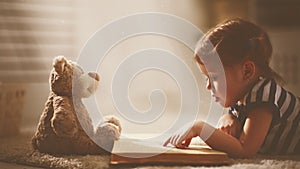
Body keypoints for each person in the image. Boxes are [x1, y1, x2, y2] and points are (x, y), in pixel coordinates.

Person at [163, 18, 300, 158]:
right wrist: (228, 117)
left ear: (247, 71)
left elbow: (245, 150)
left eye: (215, 77)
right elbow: (238, 116)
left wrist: (200, 128)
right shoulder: (243, 95)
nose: (208, 86)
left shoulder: (264, 95)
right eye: (206, 78)